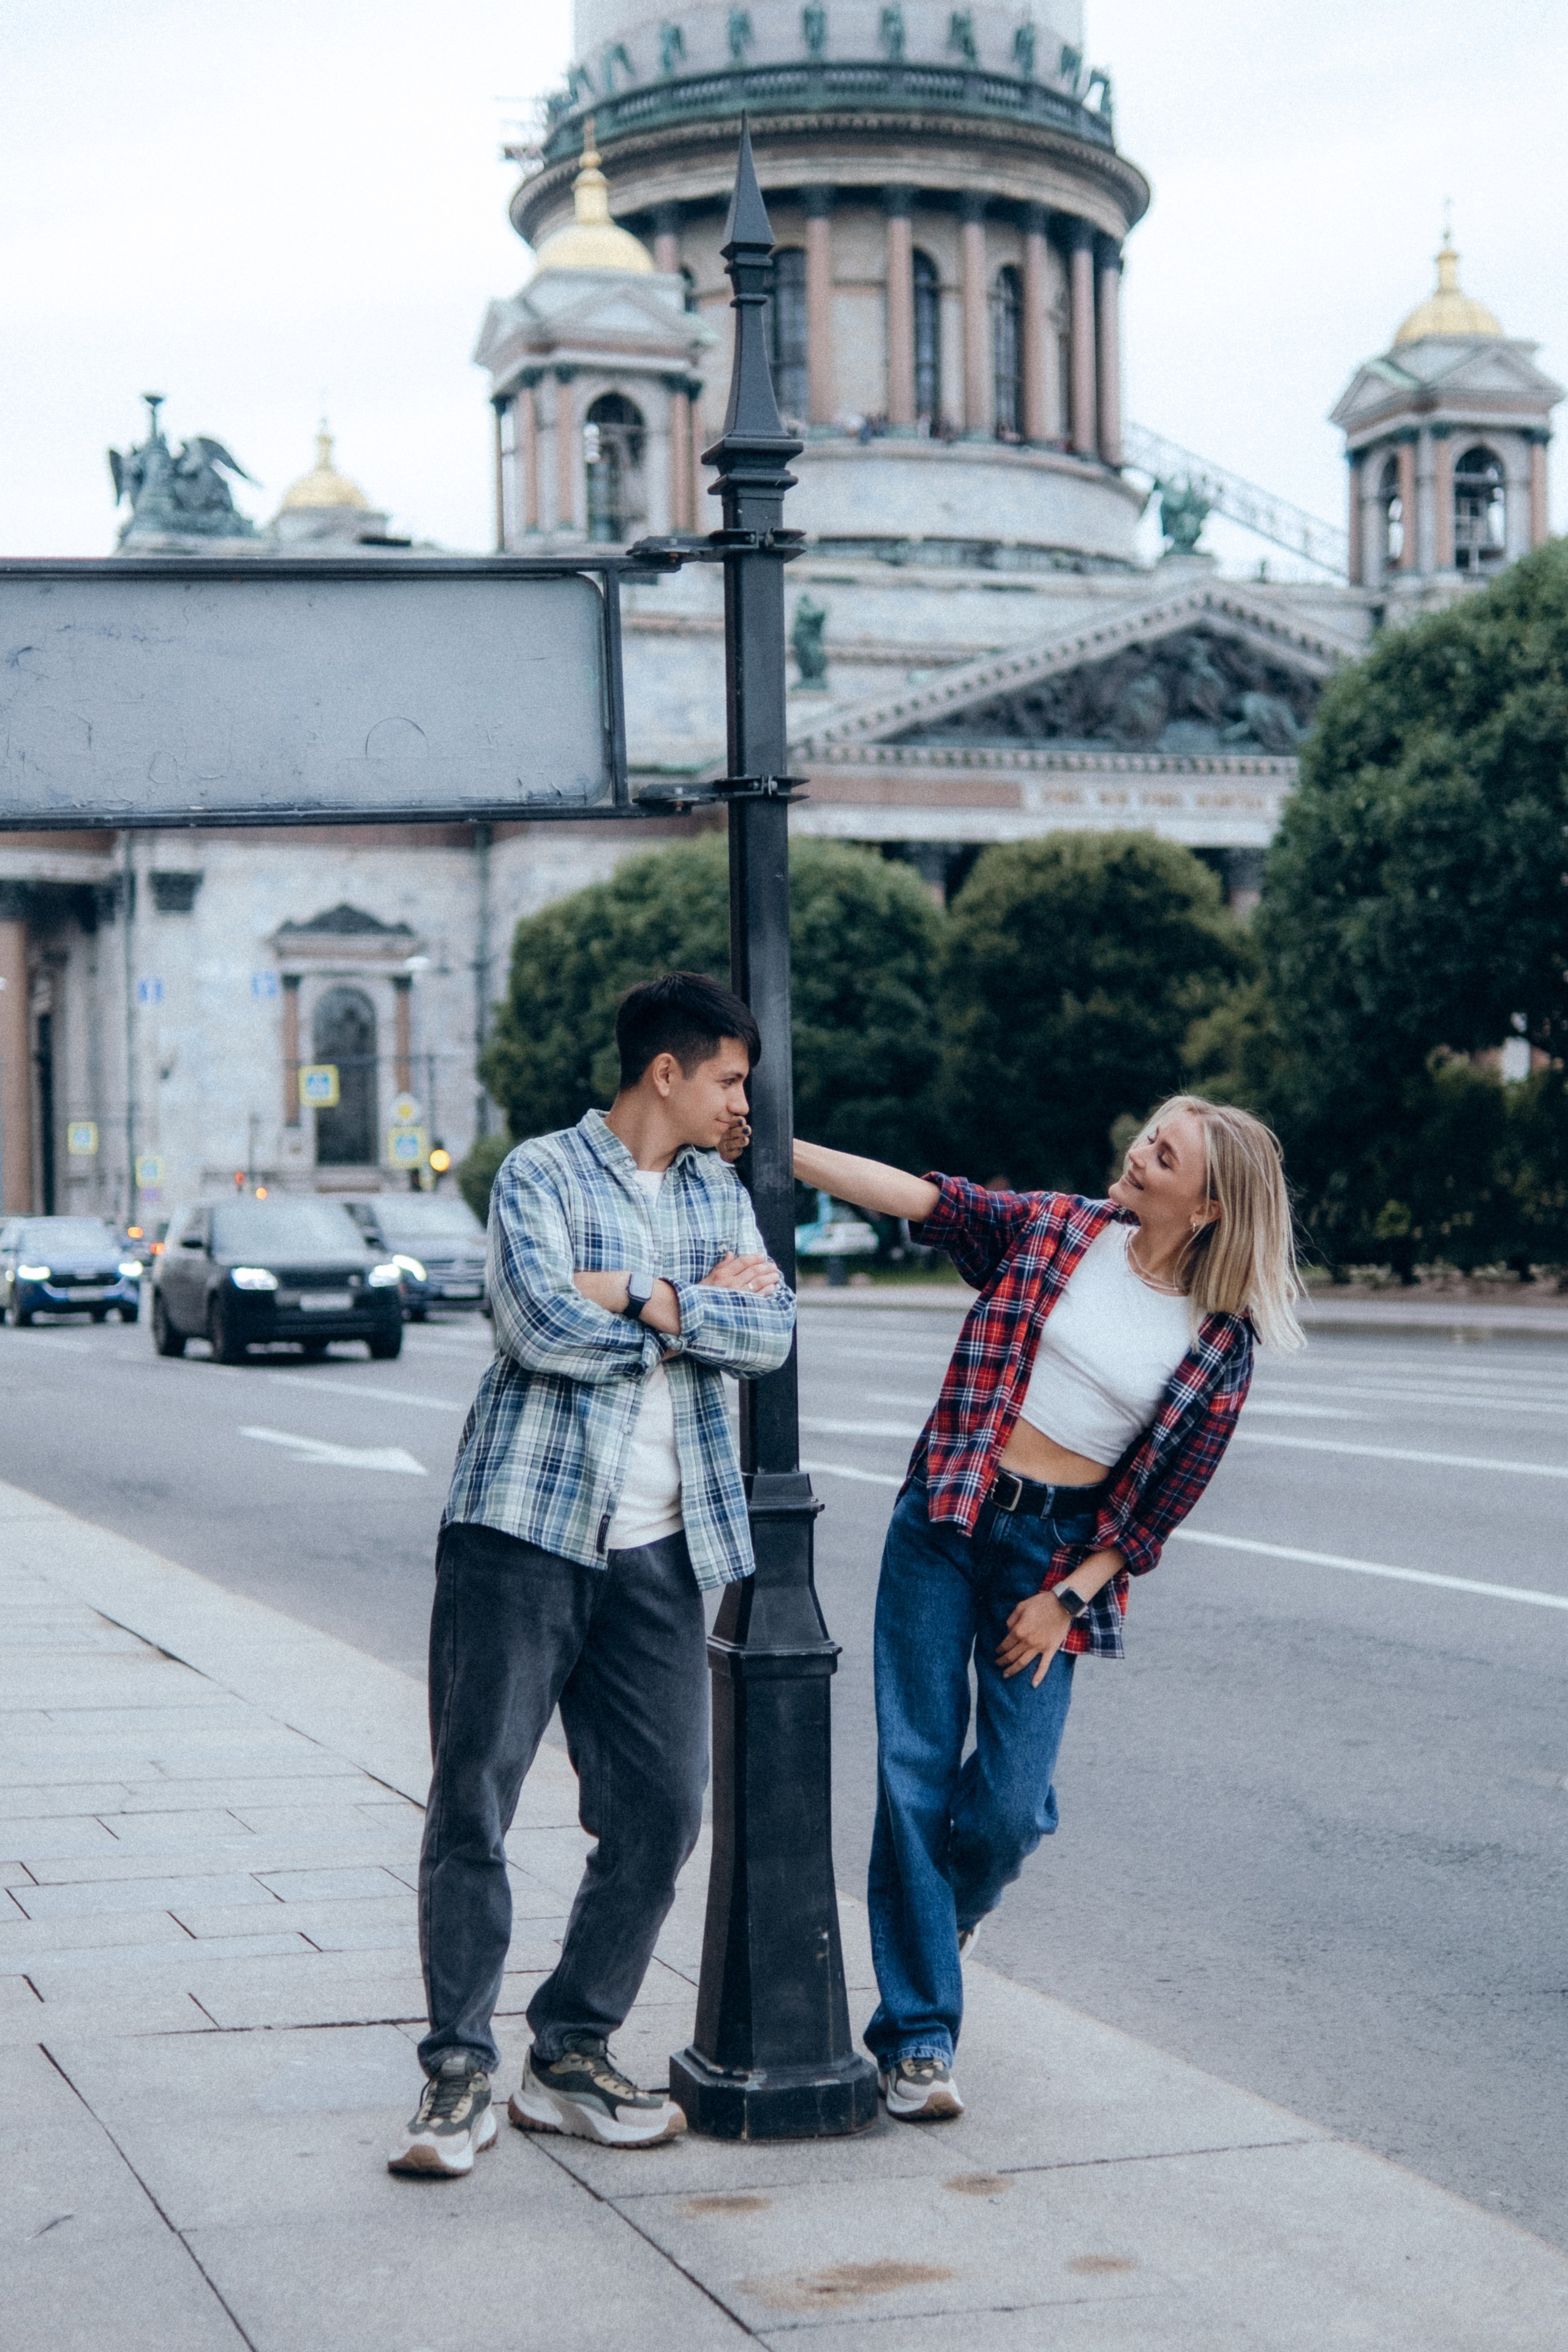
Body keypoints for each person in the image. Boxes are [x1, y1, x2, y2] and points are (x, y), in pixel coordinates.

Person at [793, 1096, 1302, 2124]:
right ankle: (920, 2038)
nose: (1139, 1154)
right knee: (913, 1769)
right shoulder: (1057, 1231)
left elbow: (1155, 1514)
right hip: (947, 1514)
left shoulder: (1219, 1346)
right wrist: (781, 1148)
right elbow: (928, 1199)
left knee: (1012, 1807)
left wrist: (1065, 1599)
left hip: (1055, 1555)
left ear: (1206, 1207)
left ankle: (950, 1911)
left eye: (1164, 1154)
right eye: (1148, 1137)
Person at [390, 972, 793, 2176]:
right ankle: (458, 2074)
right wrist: (689, 1309)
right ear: (665, 1072)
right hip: (521, 1530)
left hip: (663, 1548)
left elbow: (769, 1337)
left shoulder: (720, 1196)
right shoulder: (540, 1173)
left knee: (665, 1809)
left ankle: (567, 2047)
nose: (743, 1108)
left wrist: (632, 1293)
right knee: (477, 1798)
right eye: (730, 1081)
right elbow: (533, 1325)